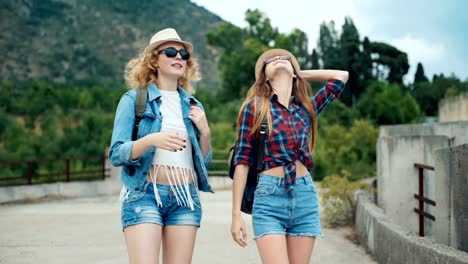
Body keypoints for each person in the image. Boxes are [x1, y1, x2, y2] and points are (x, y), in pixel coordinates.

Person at [230, 48, 349, 264]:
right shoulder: (255, 107)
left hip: (305, 195)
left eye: (284, 59)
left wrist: (299, 73)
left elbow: (341, 76)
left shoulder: (305, 109)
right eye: (270, 60)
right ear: (264, 76)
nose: (278, 59)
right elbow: (242, 161)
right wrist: (236, 215)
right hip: (269, 196)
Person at [109, 28, 213, 264]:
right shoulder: (134, 99)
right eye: (170, 52)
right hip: (144, 195)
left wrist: (205, 132)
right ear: (154, 60)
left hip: (185, 198)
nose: (179, 57)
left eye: (183, 54)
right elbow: (116, 153)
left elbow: (203, 162)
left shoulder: (194, 105)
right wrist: (151, 140)